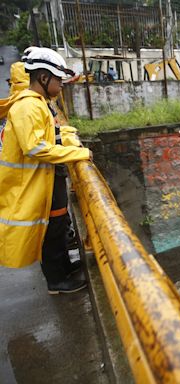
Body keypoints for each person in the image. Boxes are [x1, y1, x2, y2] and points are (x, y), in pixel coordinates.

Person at [0, 47, 92, 294]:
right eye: (58, 79)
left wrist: (70, 139)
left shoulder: (38, 104)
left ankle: (64, 267)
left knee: (58, 225)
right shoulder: (28, 107)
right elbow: (36, 147)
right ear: (43, 78)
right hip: (36, 182)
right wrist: (78, 153)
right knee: (51, 230)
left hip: (46, 179)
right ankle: (57, 281)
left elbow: (52, 136)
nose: (62, 84)